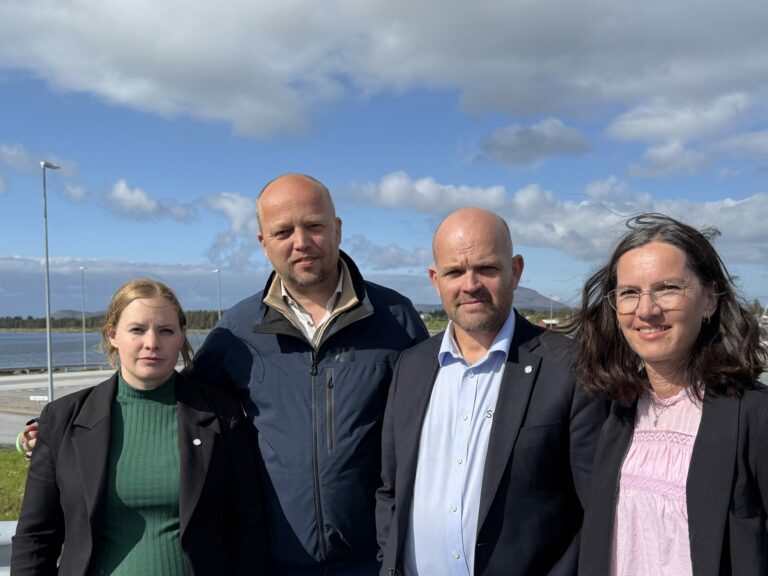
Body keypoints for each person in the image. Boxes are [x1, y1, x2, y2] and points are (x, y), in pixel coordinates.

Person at [191, 174, 429, 575]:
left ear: (337, 229)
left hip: (375, 561)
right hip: (275, 562)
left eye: (314, 225)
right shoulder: (236, 332)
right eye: (283, 231)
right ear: (263, 243)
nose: (301, 242)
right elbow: (183, 415)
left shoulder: (396, 318)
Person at [375, 207, 608, 576]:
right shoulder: (411, 366)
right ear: (435, 280)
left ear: (515, 271)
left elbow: (597, 511)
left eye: (486, 268)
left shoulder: (570, 367)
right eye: (455, 272)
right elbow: (391, 489)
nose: (470, 285)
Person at [12, 279, 265, 575]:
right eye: (137, 329)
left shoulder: (222, 416)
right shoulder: (62, 418)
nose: (152, 343)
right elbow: (35, 537)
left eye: (166, 330)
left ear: (181, 337)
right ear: (113, 335)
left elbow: (248, 526)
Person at [568, 213, 768, 575]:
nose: (647, 310)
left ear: (709, 300)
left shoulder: (754, 415)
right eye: (630, 293)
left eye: (667, 288)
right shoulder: (613, 410)